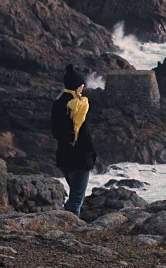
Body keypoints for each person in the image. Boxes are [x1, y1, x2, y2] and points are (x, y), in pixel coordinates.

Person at [51, 64, 97, 217]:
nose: (83, 89)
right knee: (76, 200)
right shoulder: (80, 105)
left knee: (74, 196)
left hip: (64, 157)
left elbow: (56, 132)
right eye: (82, 86)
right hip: (80, 158)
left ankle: (66, 223)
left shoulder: (57, 104)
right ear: (78, 87)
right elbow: (84, 136)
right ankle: (69, 227)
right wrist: (92, 156)